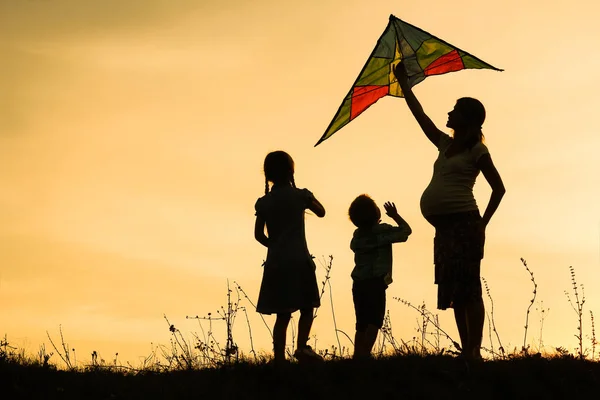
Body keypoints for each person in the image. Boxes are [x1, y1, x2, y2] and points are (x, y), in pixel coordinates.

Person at [393, 62, 506, 361]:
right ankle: (466, 349)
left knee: (469, 286)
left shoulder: (476, 151)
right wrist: (404, 85)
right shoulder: (445, 145)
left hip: (465, 224)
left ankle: (474, 351)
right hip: (443, 229)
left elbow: (499, 188)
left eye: (454, 110)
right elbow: (422, 118)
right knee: (453, 289)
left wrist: (482, 223)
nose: (448, 113)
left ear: (466, 119)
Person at [254, 150, 326, 364]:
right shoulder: (301, 196)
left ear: (267, 175)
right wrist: (308, 198)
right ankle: (302, 347)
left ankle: (278, 358)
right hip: (299, 259)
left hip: (276, 262)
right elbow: (321, 211)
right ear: (291, 171)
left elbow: (259, 235)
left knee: (282, 313)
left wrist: (275, 246)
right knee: (307, 306)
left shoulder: (264, 202)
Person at [348, 195, 412, 359]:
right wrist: (395, 216)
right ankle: (364, 355)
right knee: (374, 321)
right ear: (376, 214)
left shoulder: (357, 236)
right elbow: (406, 231)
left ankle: (358, 355)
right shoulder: (382, 232)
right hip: (375, 283)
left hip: (358, 284)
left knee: (361, 323)